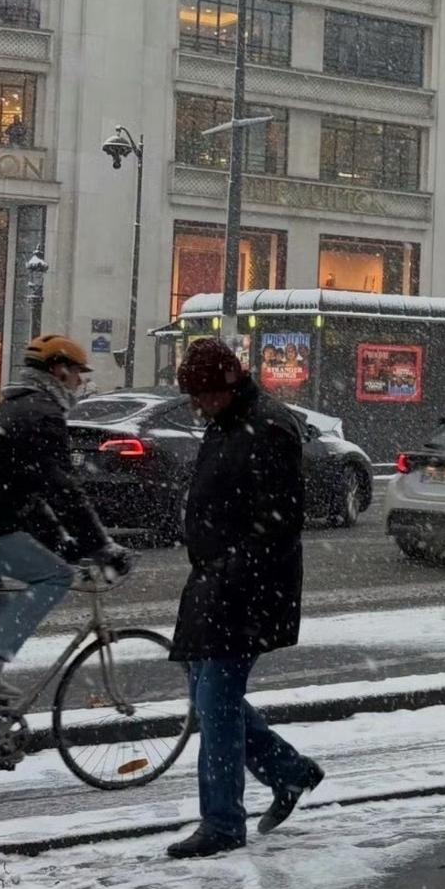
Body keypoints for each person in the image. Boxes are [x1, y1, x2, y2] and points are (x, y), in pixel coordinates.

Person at [167, 339, 323, 859]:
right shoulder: (231, 421)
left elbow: (279, 521)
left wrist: (231, 570)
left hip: (246, 591)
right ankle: (290, 771)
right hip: (217, 582)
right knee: (210, 698)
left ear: (226, 384)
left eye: (202, 395)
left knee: (214, 704)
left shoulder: (268, 427)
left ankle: (222, 823)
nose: (197, 405)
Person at [0, 334, 130, 697]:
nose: (81, 382)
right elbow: (61, 489)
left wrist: (64, 541)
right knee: (55, 577)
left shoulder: (13, 407)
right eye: (78, 373)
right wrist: (101, 546)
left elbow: (27, 493)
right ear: (59, 372)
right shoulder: (41, 414)